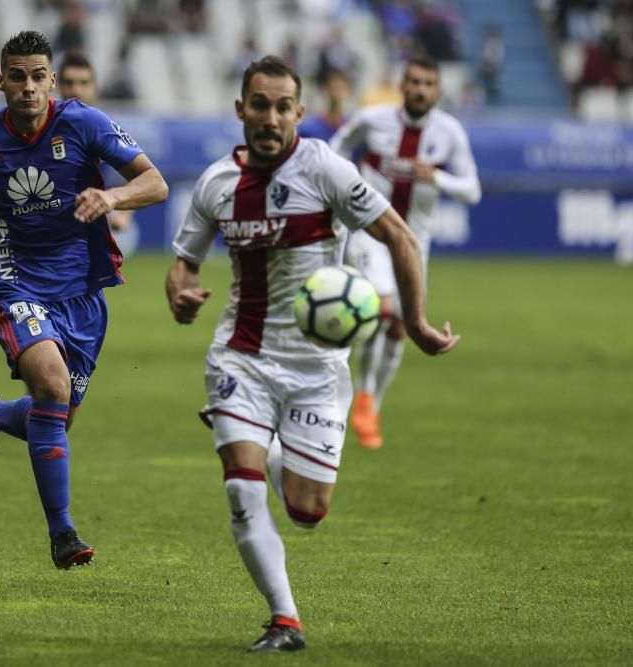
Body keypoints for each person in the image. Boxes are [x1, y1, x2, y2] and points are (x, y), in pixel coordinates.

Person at [165, 55, 459, 653]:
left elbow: (400, 237)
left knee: (307, 511)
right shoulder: (217, 184)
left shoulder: (325, 169)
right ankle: (285, 621)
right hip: (240, 357)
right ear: (241, 108)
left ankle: (257, 438)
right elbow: (183, 264)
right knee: (242, 491)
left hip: (317, 368)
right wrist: (180, 294)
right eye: (259, 105)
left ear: (299, 112)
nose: (270, 118)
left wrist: (417, 323)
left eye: (282, 107)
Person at [0, 31, 168, 569]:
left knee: (55, 416)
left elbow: (155, 183)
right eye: (17, 77)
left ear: (52, 81)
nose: (28, 87)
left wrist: (112, 196)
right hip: (15, 283)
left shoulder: (84, 123)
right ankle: (63, 533)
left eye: (38, 76)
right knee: (52, 387)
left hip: (82, 295)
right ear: (1, 81)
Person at [329, 56, 480, 449]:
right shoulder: (371, 119)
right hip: (369, 233)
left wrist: (438, 177)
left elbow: (472, 190)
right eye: (414, 82)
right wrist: (340, 183)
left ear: (438, 91)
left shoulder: (449, 132)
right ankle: (362, 394)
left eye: (428, 84)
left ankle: (372, 405)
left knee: (399, 325)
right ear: (402, 85)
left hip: (414, 242)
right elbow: (336, 147)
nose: (420, 90)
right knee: (380, 307)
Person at [56, 50, 135, 236]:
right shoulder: (44, 127)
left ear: (94, 88)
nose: (76, 90)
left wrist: (123, 214)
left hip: (89, 229)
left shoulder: (105, 131)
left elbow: (140, 175)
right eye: (69, 82)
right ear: (57, 85)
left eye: (83, 83)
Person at [297, 68, 353, 143]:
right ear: (325, 89)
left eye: (340, 87)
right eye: (333, 87)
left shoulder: (353, 128)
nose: (336, 92)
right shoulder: (308, 128)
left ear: (348, 91)